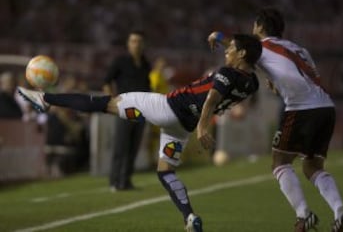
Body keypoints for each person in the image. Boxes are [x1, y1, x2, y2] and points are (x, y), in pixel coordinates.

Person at [17, 34, 263, 232]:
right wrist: (221, 39)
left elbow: (212, 97)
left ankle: (44, 98)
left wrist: (204, 126)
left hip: (166, 108)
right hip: (180, 127)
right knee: (165, 171)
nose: (226, 51)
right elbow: (247, 57)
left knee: (106, 103)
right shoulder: (251, 83)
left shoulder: (226, 73)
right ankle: (189, 217)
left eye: (231, 48)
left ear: (241, 53)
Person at [208, 7, 343, 232]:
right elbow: (309, 77)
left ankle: (304, 216)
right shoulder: (299, 49)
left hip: (301, 108)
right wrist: (280, 86)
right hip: (326, 107)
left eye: (254, 26)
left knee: (280, 162)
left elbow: (237, 49)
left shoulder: (260, 46)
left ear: (260, 27)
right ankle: (340, 211)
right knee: (313, 167)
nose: (251, 30)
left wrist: (217, 37)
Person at [103, 30, 151, 190]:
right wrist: (111, 101)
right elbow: (106, 81)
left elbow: (147, 87)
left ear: (143, 44)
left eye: (138, 41)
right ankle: (114, 182)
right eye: (133, 41)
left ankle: (126, 181)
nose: (136, 44)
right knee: (120, 146)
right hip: (125, 108)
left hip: (142, 110)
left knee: (133, 148)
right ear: (128, 44)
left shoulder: (145, 63)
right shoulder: (120, 61)